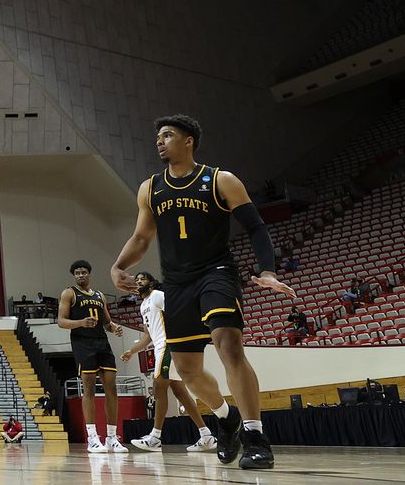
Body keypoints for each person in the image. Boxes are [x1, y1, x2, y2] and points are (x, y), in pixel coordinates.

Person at [110, 114, 294, 470]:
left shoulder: (219, 179)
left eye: (167, 135)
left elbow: (255, 227)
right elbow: (142, 238)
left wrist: (267, 270)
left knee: (228, 344)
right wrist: (119, 265)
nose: (159, 141)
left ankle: (256, 438)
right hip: (176, 282)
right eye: (158, 137)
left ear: (188, 140)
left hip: (217, 273)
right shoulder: (150, 187)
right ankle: (227, 420)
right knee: (187, 369)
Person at [120, 271, 216, 452]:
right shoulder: (143, 306)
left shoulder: (158, 296)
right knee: (180, 392)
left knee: (158, 386)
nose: (139, 281)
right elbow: (148, 336)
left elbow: (179, 312)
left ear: (151, 282)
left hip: (168, 345)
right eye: (137, 280)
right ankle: (206, 435)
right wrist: (132, 351)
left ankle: (155, 437)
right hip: (158, 347)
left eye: (143, 279)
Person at [59, 260, 127, 453]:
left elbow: (107, 322)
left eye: (84, 272)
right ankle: (92, 437)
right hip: (83, 344)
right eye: (77, 273)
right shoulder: (69, 293)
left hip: (102, 343)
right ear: (74, 276)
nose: (81, 275)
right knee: (88, 389)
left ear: (89, 274)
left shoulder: (99, 295)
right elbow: (61, 322)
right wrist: (81, 322)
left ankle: (112, 437)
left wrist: (115, 328)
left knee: (111, 389)